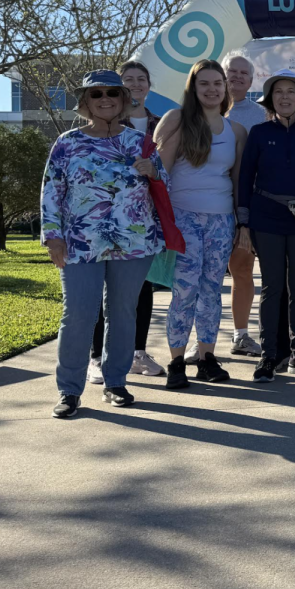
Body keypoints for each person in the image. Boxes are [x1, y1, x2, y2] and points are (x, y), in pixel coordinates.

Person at [41, 70, 165, 418]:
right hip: (81, 241)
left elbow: (163, 183)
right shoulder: (67, 142)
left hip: (133, 242)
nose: (105, 98)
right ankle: (69, 390)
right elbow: (52, 190)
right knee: (78, 314)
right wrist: (53, 236)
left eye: (113, 92)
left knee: (122, 313)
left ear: (125, 99)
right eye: (96, 94)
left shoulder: (140, 141)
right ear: (85, 102)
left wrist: (154, 170)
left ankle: (115, 382)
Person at [153, 60, 248, 388]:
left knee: (211, 290)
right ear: (193, 88)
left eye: (217, 83)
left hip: (221, 221)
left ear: (226, 88)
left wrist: (241, 225)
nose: (212, 89)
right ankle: (176, 361)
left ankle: (206, 357)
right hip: (183, 219)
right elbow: (160, 175)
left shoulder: (235, 130)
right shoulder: (177, 120)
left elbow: (237, 183)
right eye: (204, 83)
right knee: (184, 291)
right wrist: (161, 222)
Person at [237, 70, 295, 383]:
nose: (285, 96)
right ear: (270, 98)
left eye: (291, 91)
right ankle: (268, 355)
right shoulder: (260, 133)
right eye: (278, 91)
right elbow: (244, 179)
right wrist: (244, 223)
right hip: (267, 219)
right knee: (272, 286)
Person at [87, 59, 164, 383]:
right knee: (105, 290)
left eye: (140, 79)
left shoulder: (159, 124)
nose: (135, 84)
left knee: (142, 287)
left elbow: (167, 169)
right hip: (105, 220)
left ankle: (137, 352)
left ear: (148, 85)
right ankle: (96, 356)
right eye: (128, 80)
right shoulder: (104, 124)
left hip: (144, 220)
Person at [222, 51, 267, 359]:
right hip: (208, 202)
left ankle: (241, 335)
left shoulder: (261, 115)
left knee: (242, 268)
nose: (236, 77)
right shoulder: (199, 113)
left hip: (246, 204)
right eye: (231, 72)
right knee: (206, 274)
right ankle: (203, 340)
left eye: (243, 73)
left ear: (251, 81)